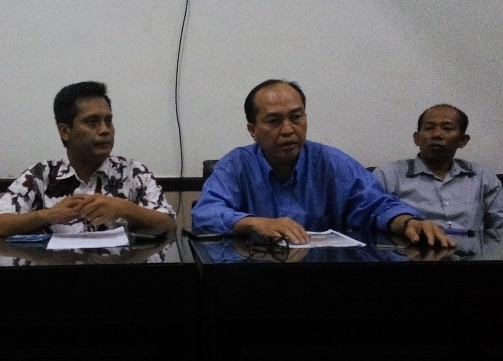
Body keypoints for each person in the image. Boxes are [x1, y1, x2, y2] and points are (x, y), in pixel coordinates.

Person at [191, 79, 454, 247]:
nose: (288, 130)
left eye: (296, 117)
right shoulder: (236, 165)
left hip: (322, 278)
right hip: (253, 277)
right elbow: (205, 213)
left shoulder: (331, 163)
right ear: (253, 130)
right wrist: (253, 222)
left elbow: (375, 205)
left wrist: (408, 222)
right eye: (274, 121)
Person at [0, 81, 176, 237]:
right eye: (92, 122)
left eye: (108, 121)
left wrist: (125, 209)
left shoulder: (133, 172)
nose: (105, 130)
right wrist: (47, 215)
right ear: (65, 131)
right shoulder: (42, 175)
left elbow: (169, 225)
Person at [373, 104, 503, 232]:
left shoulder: (482, 176)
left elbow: (499, 226)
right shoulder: (389, 174)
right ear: (416, 138)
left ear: (463, 140)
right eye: (429, 128)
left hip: (471, 246)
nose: (436, 134)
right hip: (413, 244)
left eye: (447, 128)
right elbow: (372, 216)